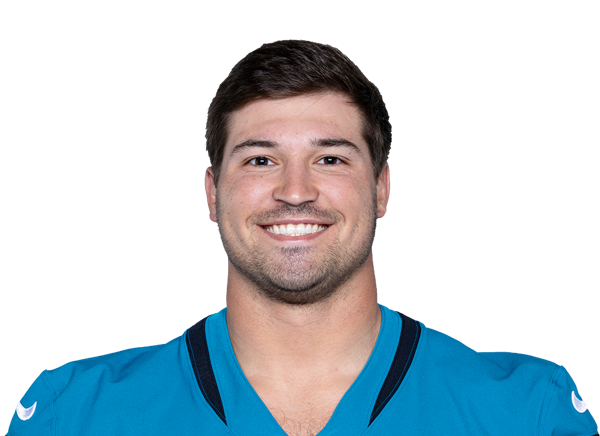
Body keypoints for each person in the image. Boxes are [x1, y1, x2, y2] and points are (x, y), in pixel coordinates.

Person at [8, 39, 597, 436]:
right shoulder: (73, 414)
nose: (295, 191)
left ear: (382, 188)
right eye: (260, 160)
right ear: (212, 193)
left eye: (330, 159)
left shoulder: (526, 413)